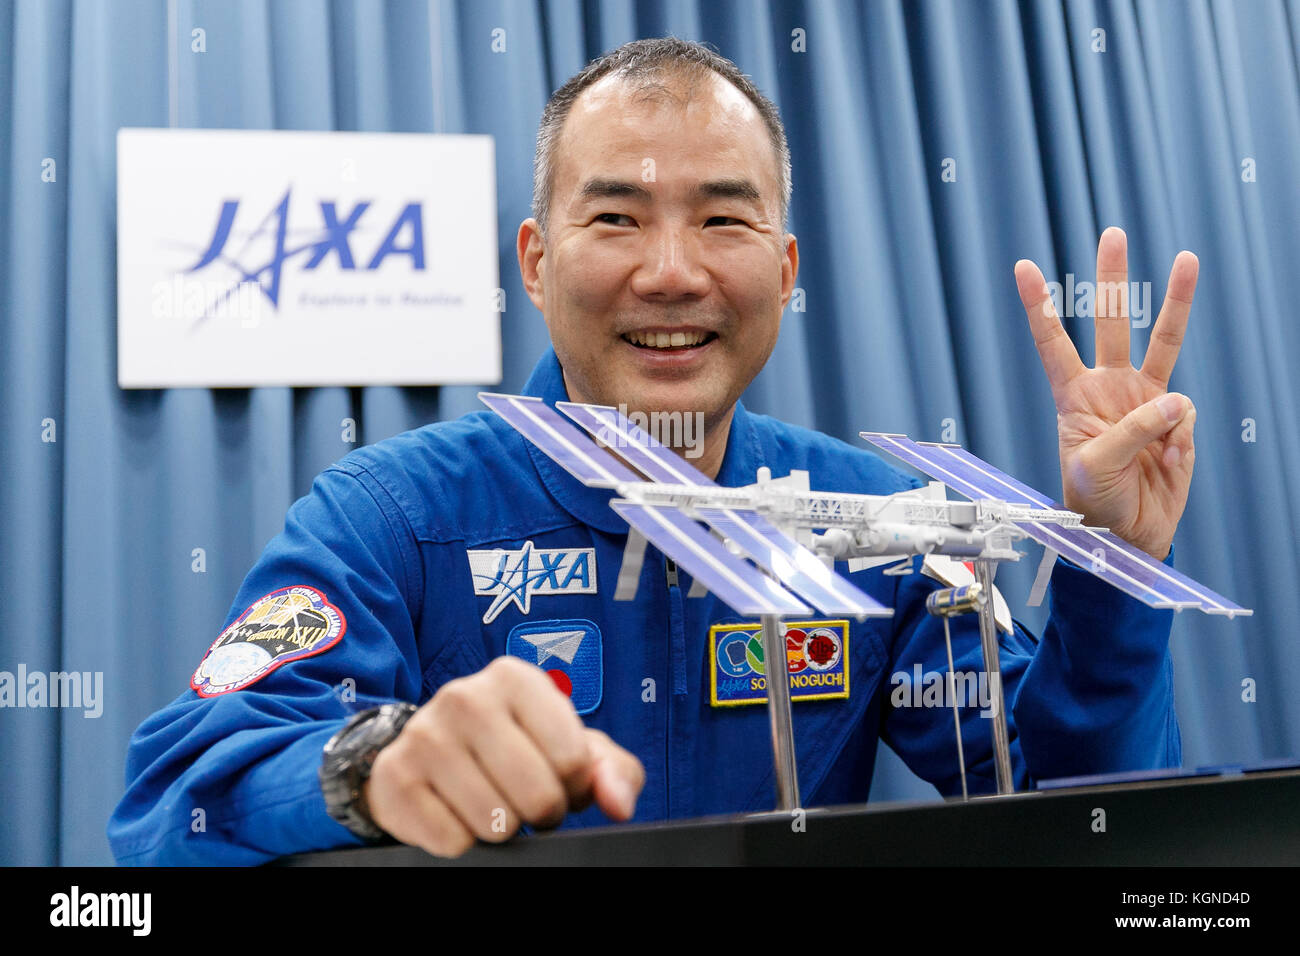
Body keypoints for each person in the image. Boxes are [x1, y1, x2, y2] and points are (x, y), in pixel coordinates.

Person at [108, 38, 1199, 865]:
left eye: (722, 221)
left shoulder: (878, 524)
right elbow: (170, 805)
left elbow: (1072, 815)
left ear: (785, 269)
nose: (672, 273)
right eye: (617, 219)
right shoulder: (390, 518)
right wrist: (372, 763)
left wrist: (1114, 570)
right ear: (536, 262)